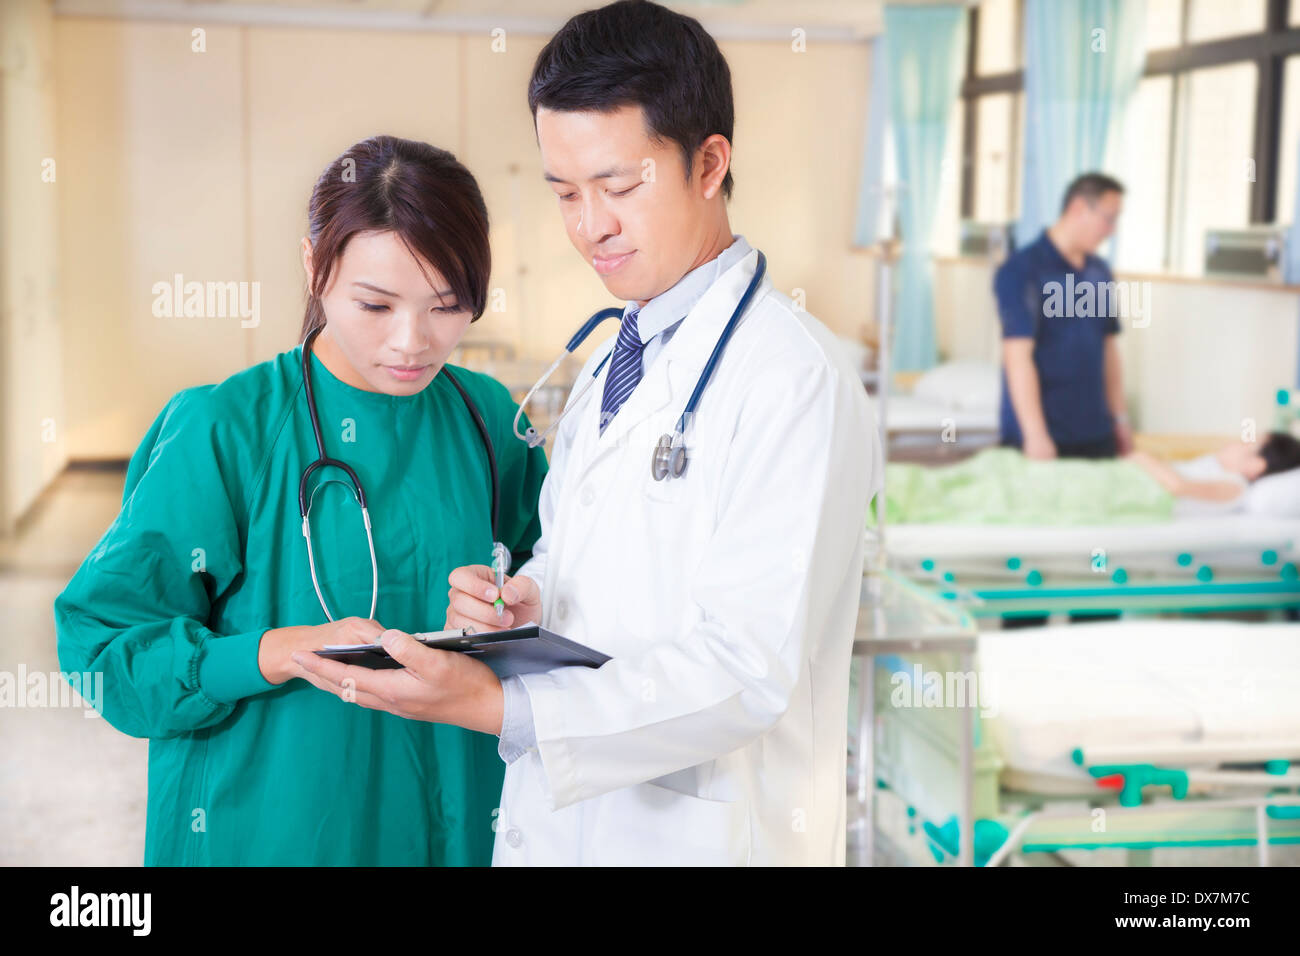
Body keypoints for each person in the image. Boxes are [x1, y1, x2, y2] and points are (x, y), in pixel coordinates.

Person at [293, 0, 882, 866]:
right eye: (565, 192)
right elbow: (596, 560)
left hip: (708, 836)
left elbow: (748, 668)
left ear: (710, 162)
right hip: (571, 823)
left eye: (619, 186)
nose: (588, 225)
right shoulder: (620, 354)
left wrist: (499, 707)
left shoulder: (793, 378)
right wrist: (529, 597)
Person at [54, 136, 548, 865]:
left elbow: (555, 578)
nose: (413, 343)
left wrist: (518, 601)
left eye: (447, 306)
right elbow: (103, 647)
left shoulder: (487, 417)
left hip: (452, 815)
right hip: (269, 824)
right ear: (315, 268)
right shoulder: (224, 427)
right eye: (375, 305)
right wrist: (268, 652)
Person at [996, 172, 1132, 461]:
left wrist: (1119, 418)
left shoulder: (1099, 271)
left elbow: (1108, 349)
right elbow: (1017, 357)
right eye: (1108, 218)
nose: (1112, 230)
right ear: (1078, 208)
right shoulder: (1022, 270)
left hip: (1096, 433)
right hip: (1042, 436)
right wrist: (1035, 434)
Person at [1127, 431, 1300, 507]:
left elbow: (1178, 486)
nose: (1235, 441)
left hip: (1138, 491)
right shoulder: (1215, 466)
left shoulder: (1236, 487)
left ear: (1256, 465)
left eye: (1246, 443)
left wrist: (1143, 458)